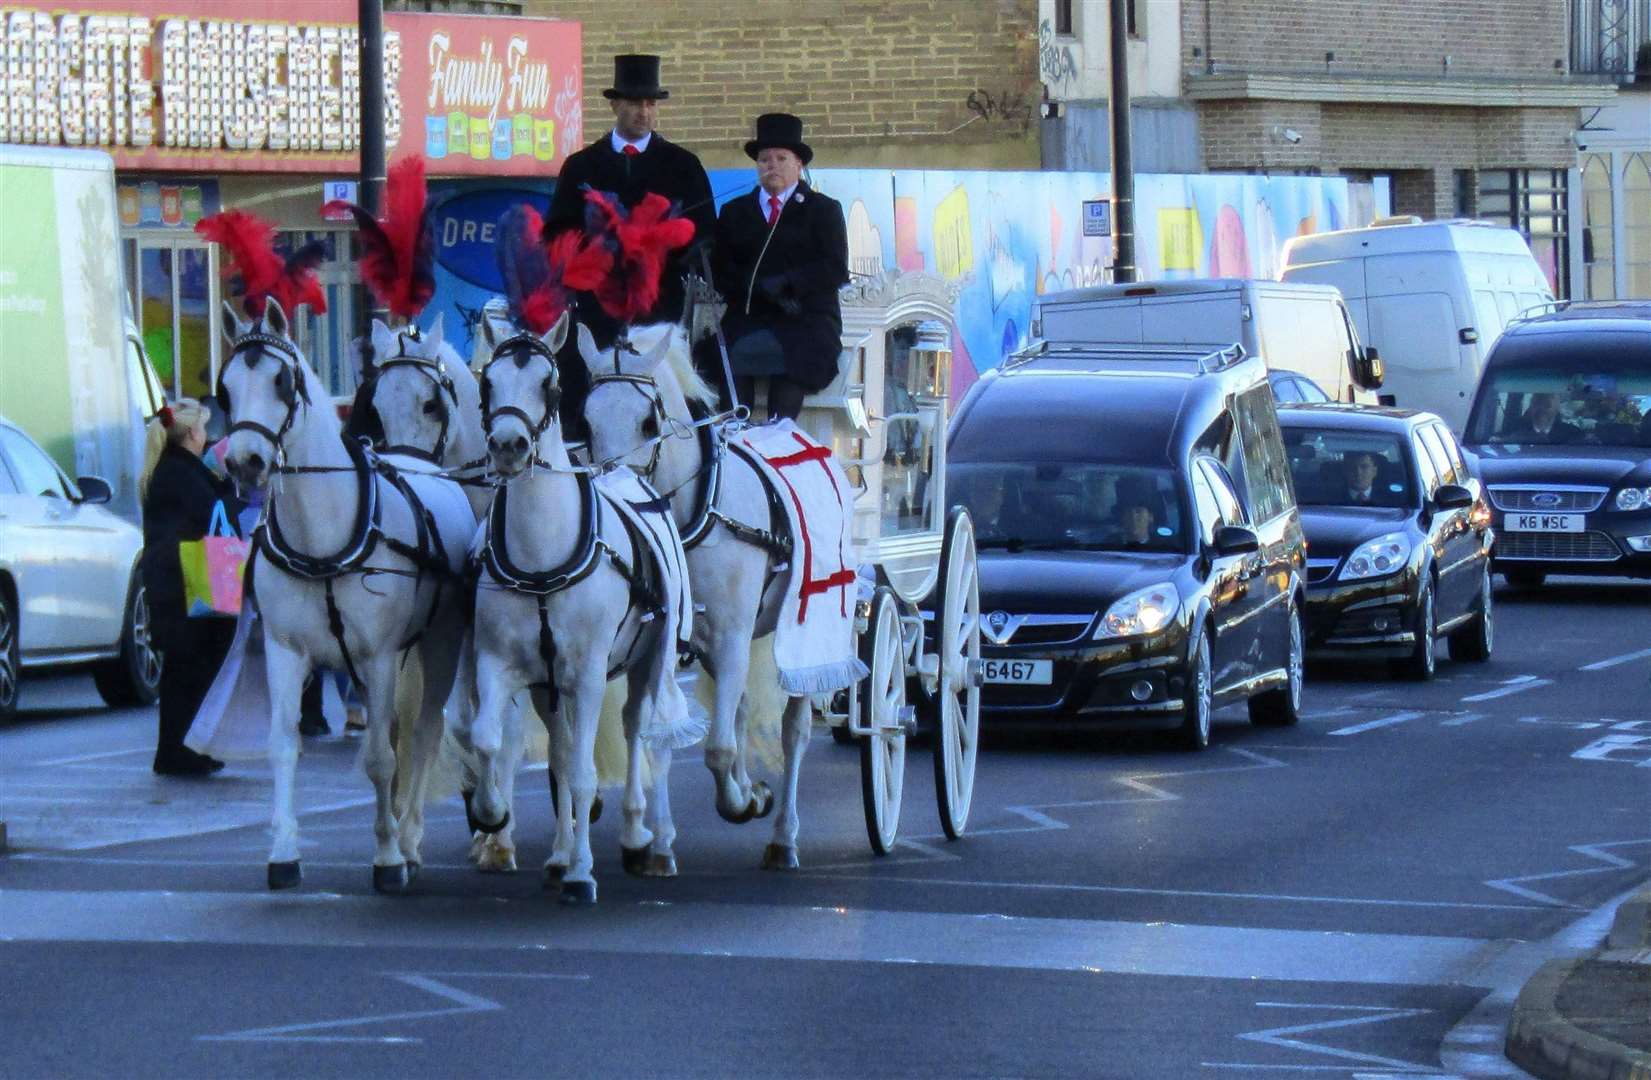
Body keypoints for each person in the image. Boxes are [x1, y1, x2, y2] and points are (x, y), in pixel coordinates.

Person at [543, 54, 716, 435]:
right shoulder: (581, 166)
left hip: (661, 306)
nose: (643, 112)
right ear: (615, 105)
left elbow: (706, 233)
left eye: (650, 104)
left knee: (664, 399)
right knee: (587, 392)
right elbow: (557, 233)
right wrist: (592, 252)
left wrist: (675, 248)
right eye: (636, 103)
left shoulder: (682, 165)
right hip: (596, 305)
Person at [711, 112, 850, 420]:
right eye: (764, 160)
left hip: (804, 317)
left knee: (796, 356)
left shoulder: (823, 210)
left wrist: (790, 283)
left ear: (798, 165)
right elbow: (720, 268)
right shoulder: (735, 212)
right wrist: (753, 288)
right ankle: (735, 436)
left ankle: (780, 435)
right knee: (726, 356)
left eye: (781, 158)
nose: (771, 165)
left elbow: (835, 267)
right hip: (750, 316)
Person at [140, 399, 238, 776]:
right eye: (204, 430)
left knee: (184, 670)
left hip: (171, 583)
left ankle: (183, 748)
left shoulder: (168, 470)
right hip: (186, 584)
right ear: (193, 433)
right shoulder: (182, 473)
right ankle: (179, 752)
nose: (207, 436)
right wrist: (230, 490)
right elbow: (212, 513)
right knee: (190, 669)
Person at [1507, 392, 1581, 442]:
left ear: (1558, 406)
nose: (1542, 409)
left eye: (1547, 405)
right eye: (1538, 403)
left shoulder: (1573, 434)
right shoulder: (1512, 431)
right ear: (1531, 404)